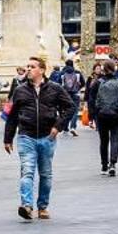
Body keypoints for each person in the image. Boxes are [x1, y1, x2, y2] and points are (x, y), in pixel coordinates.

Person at [5, 55, 76, 221]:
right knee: (27, 171)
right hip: (26, 136)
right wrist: (7, 138)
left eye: (32, 66)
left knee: (45, 174)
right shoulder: (20, 90)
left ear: (42, 70)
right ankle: (27, 205)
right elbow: (13, 115)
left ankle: (42, 206)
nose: (28, 69)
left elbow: (70, 107)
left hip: (47, 136)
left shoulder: (55, 88)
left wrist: (58, 126)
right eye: (27, 66)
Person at [87, 59, 118, 177]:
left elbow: (91, 100)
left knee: (103, 140)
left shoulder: (98, 82)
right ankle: (113, 163)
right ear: (114, 68)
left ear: (103, 69)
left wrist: (91, 117)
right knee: (115, 138)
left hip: (101, 115)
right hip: (116, 114)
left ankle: (103, 165)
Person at [51, 58, 86, 135]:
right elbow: (83, 83)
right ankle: (73, 127)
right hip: (75, 94)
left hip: (65, 94)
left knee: (66, 111)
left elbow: (58, 84)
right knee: (75, 110)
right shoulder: (78, 73)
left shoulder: (62, 73)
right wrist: (78, 88)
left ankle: (65, 128)